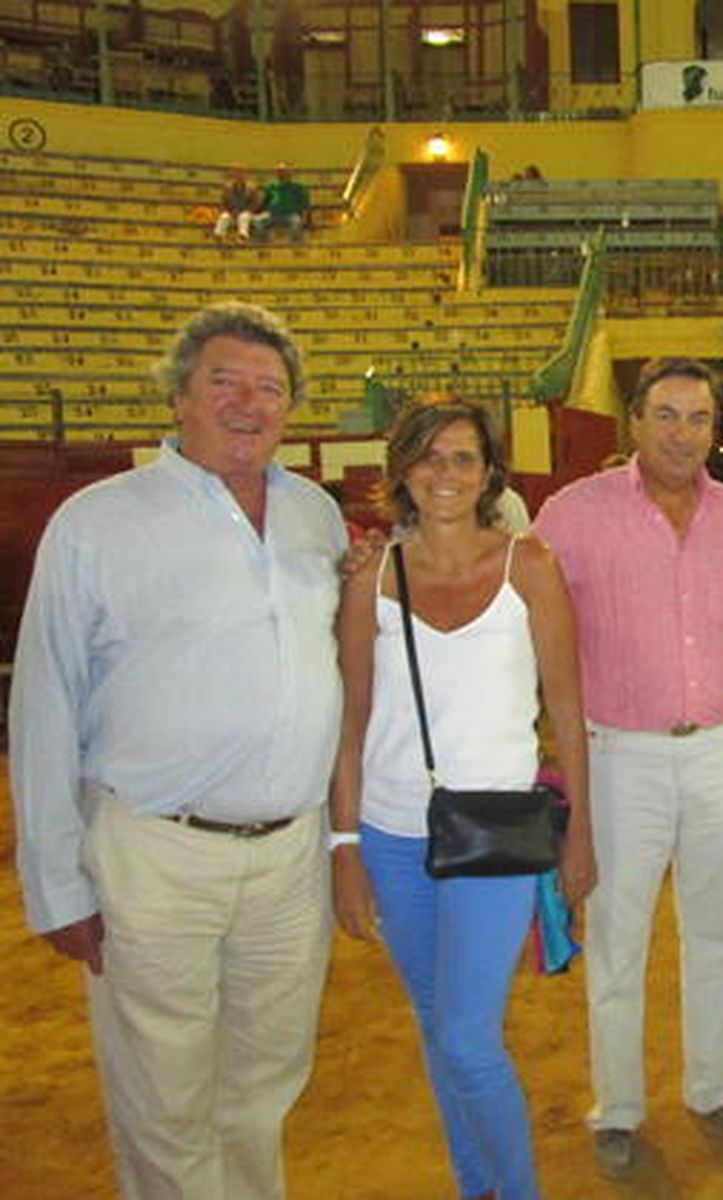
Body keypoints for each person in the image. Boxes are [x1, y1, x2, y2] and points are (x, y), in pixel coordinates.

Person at [8, 302, 346, 1198]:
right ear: (179, 396)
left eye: (270, 389)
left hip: (288, 857)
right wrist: (55, 879)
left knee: (265, 1084)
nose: (249, 403)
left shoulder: (317, 516)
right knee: (162, 1095)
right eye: (225, 382)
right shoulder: (99, 522)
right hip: (153, 853)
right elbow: (43, 702)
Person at [329, 400, 595, 1200]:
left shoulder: (531, 566)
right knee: (439, 1029)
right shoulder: (372, 575)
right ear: (402, 469)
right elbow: (349, 723)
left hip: (496, 832)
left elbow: (569, 711)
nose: (445, 474)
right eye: (429, 457)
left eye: (464, 459)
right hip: (390, 835)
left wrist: (580, 833)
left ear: (489, 476)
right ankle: (473, 1182)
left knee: (466, 1034)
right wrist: (343, 850)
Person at [531, 357, 723, 1178]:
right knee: (620, 937)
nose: (681, 433)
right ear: (634, 422)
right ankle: (619, 1106)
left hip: (716, 749)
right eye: (665, 415)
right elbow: (518, 603)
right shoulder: (574, 512)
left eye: (698, 418)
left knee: (721, 930)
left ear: (717, 429)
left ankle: (717, 1084)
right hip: (619, 756)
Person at [248, 162, 311, 240]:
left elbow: (305, 204)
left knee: (296, 224)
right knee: (256, 222)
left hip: (290, 215)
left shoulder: (298, 187)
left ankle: (294, 248)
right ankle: (263, 245)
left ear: (290, 173)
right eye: (279, 171)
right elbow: (262, 202)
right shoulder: (271, 186)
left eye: (283, 171)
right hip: (272, 215)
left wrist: (304, 218)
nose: (281, 173)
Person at [213, 165, 257, 241]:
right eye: (236, 173)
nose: (238, 175)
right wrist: (229, 210)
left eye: (240, 173)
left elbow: (255, 202)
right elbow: (223, 201)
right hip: (231, 211)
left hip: (245, 211)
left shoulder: (251, 187)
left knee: (244, 217)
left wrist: (247, 210)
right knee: (224, 217)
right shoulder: (227, 187)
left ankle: (242, 237)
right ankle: (218, 236)